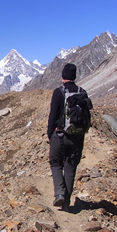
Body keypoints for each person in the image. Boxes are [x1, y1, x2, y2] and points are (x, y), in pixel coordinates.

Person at [47, 63, 89, 211]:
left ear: (63, 77)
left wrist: (50, 133)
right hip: (77, 136)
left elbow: (53, 115)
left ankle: (59, 193)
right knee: (70, 167)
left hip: (60, 135)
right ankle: (66, 203)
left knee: (55, 163)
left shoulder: (59, 92)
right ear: (74, 77)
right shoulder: (82, 92)